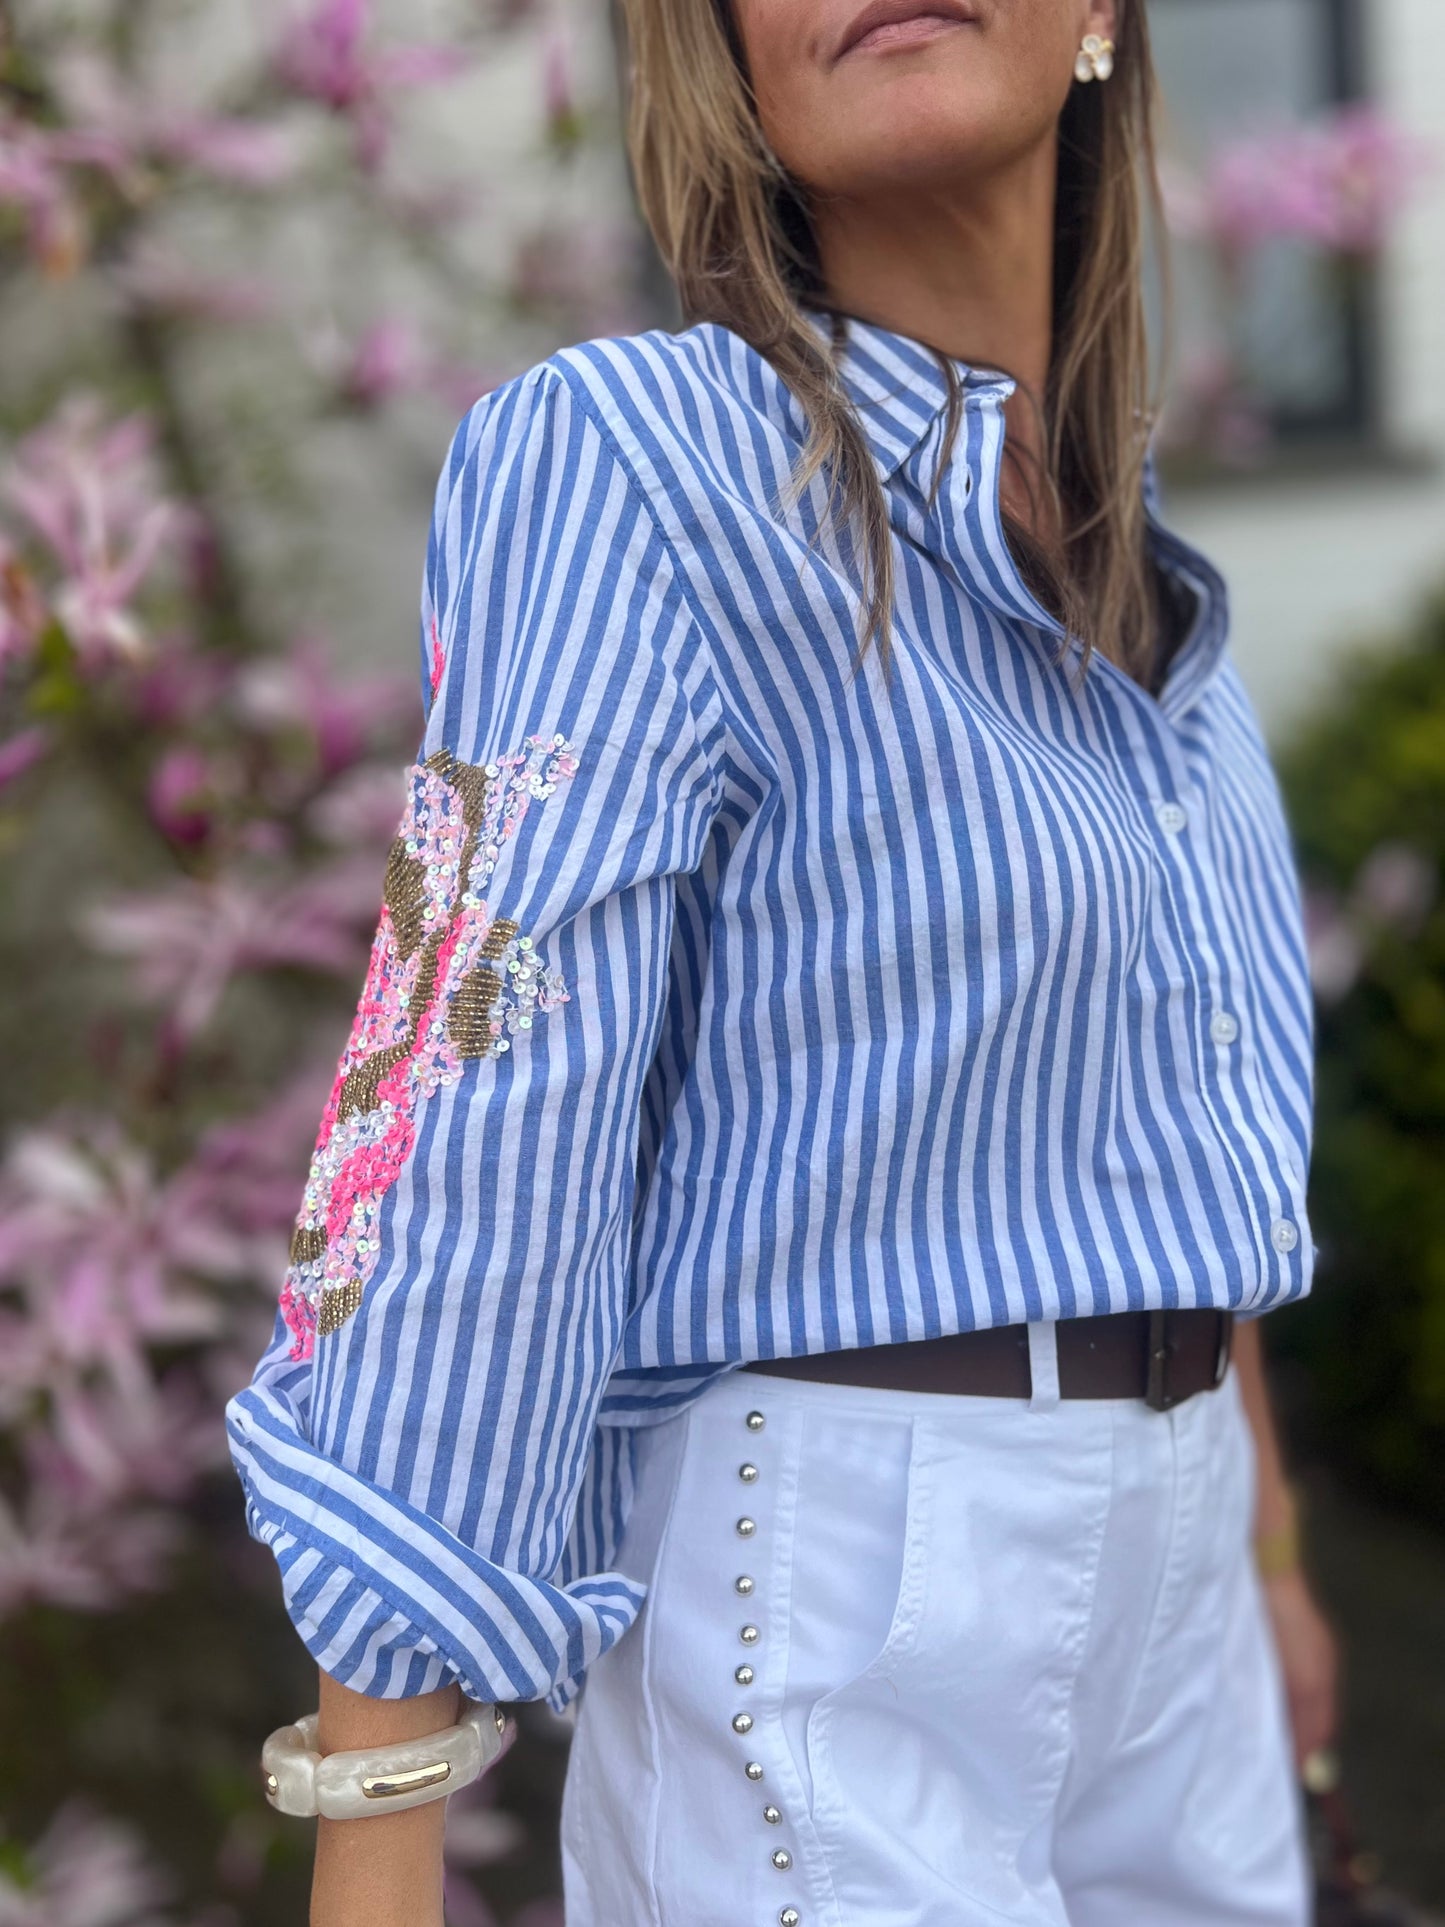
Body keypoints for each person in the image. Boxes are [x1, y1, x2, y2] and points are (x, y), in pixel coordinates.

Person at [226, 1, 1341, 1921]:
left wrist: (1261, 1548)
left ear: (1101, 17)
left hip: (1184, 1633)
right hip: (847, 1607)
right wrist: (380, 1830)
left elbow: (1168, 1109)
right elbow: (474, 1115)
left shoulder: (1130, 553)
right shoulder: (638, 466)